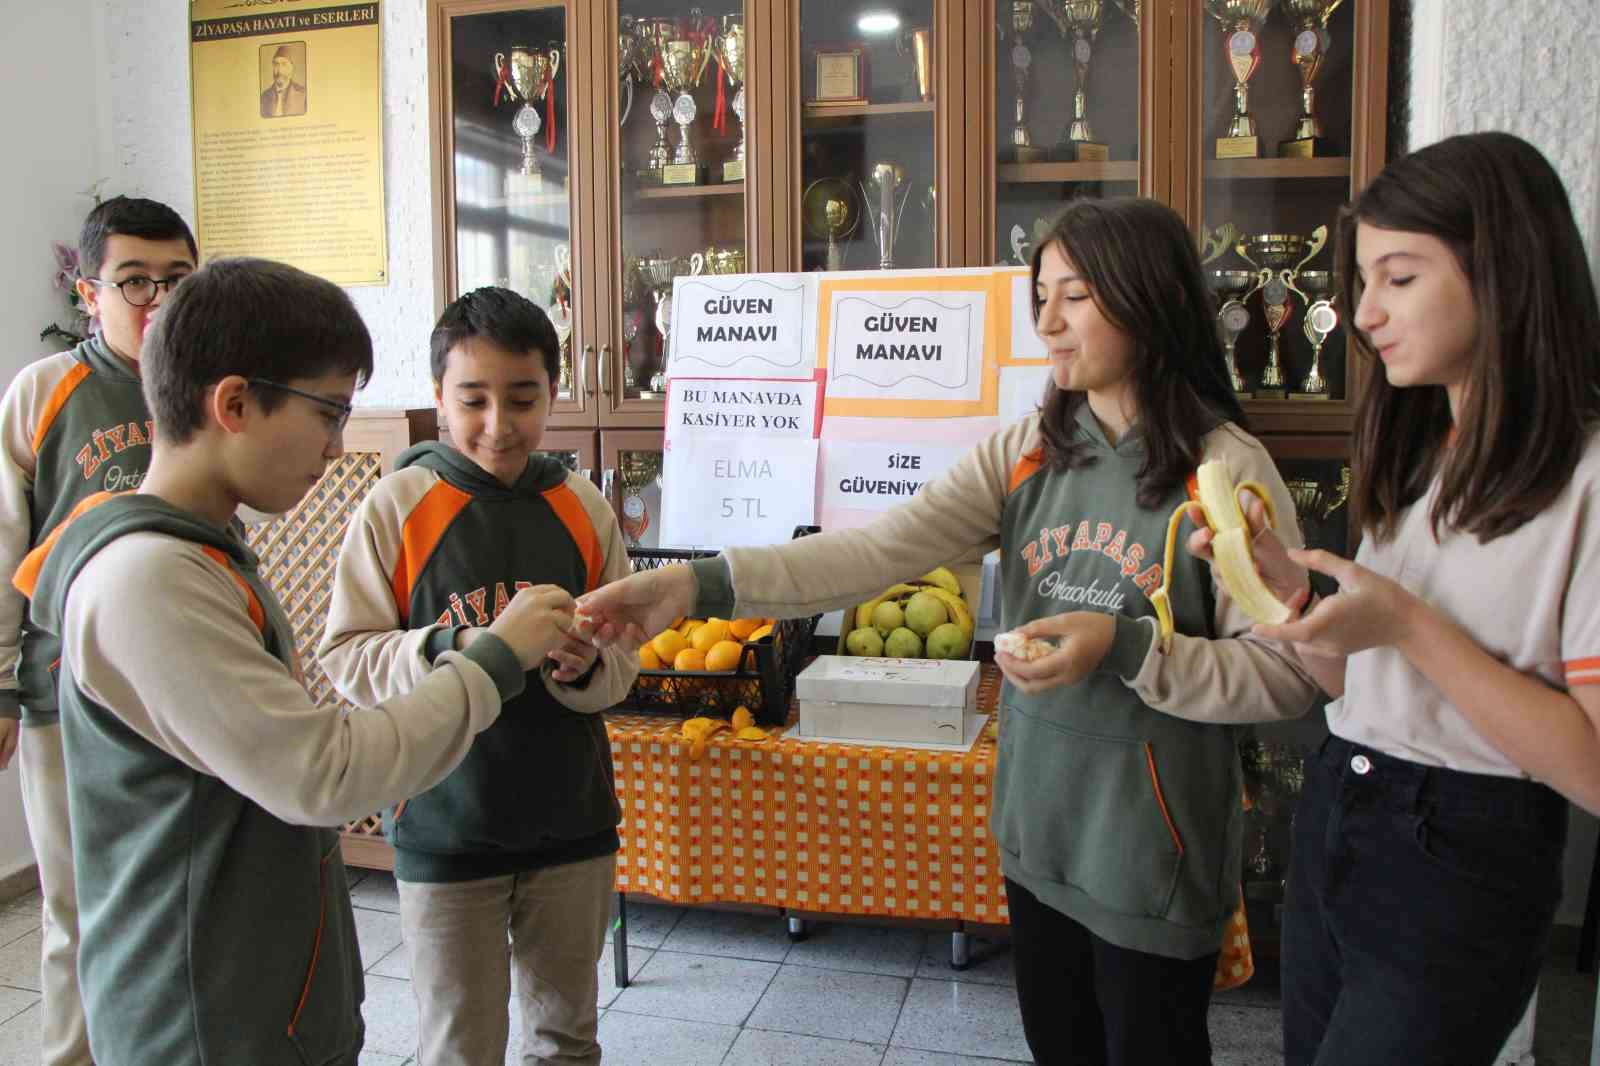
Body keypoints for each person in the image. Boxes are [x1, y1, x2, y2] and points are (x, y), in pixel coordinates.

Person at [578, 197, 1321, 1066]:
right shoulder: (1028, 451)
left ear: (1146, 297)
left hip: (1152, 856)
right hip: (1040, 841)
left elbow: (1288, 673)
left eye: (1072, 296)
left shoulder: (1224, 466)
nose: (1045, 320)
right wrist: (698, 582)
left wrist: (1125, 647)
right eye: (1040, 295)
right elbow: (876, 551)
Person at [12, 258, 577, 1066]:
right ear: (235, 403)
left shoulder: (205, 551)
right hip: (206, 1023)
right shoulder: (149, 580)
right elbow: (326, 775)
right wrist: (491, 660)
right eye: (329, 412)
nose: (339, 444)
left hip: (261, 1002)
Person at [1194, 131, 1600, 1066]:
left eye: (1400, 278)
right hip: (1346, 804)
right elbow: (1359, 690)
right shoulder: (1422, 454)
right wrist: (1287, 600)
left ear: (1502, 271)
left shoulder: (1581, 482)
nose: (1366, 313)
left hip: (1464, 845)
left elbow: (1588, 768)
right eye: (1365, 279)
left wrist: (1412, 626)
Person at [319, 286, 638, 1066]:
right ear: (439, 398)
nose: (499, 424)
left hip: (571, 823)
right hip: (443, 826)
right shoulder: (397, 506)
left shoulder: (582, 507)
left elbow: (626, 662)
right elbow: (347, 657)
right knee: (460, 1044)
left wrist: (587, 665)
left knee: (567, 1038)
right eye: (473, 400)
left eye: (523, 398)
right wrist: (451, 647)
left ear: (553, 393)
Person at [0, 195, 196, 1066]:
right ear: (89, 292)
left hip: (185, 695)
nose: (156, 301)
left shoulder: (205, 390)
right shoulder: (45, 393)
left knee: (177, 903)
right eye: (134, 282)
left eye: (177, 281)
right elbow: (5, 542)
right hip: (61, 699)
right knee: (77, 914)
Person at [261, 44, 308, 118]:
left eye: (284, 64)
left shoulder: (304, 95)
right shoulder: (264, 97)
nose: (279, 70)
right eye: (276, 64)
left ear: (291, 68)